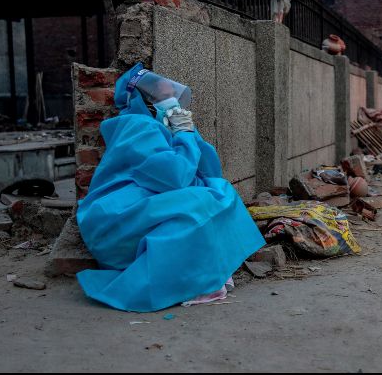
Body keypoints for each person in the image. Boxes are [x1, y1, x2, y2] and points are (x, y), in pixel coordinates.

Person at [75, 63, 265, 312]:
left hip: (137, 208)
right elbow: (175, 176)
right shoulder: (135, 126)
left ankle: (200, 272)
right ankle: (189, 279)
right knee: (204, 201)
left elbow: (209, 170)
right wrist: (182, 132)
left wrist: (187, 130)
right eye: (164, 96)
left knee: (218, 189)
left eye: (173, 95)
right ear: (146, 99)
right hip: (115, 220)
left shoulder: (161, 125)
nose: (173, 100)